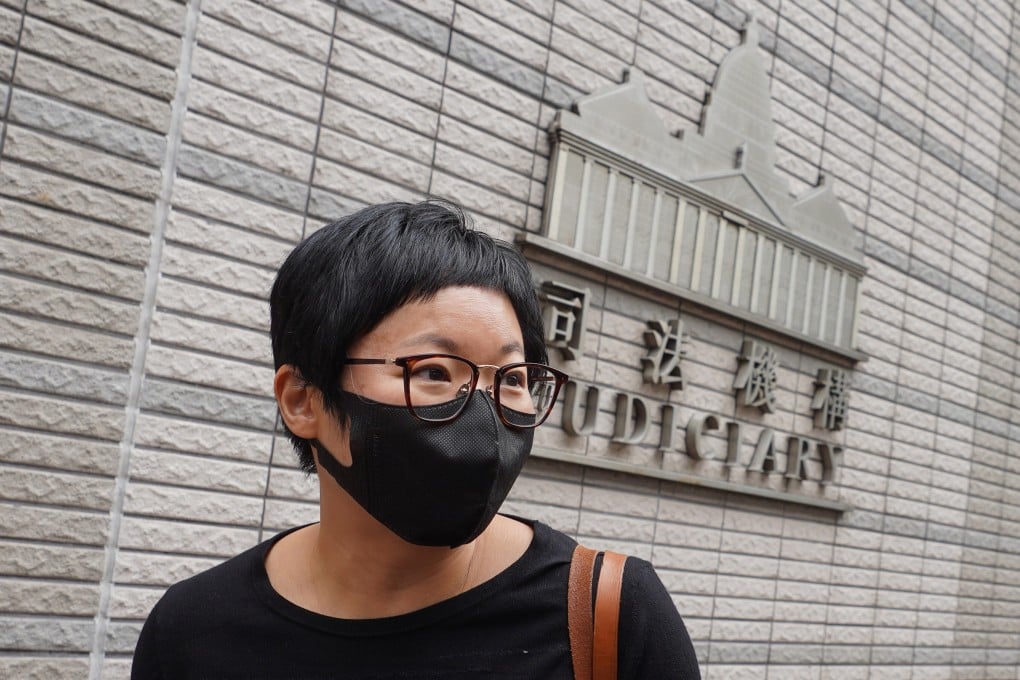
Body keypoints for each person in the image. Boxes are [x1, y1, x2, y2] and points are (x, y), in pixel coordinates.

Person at [131, 200, 701, 679]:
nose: (485, 414)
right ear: (303, 400)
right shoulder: (193, 631)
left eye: (515, 379)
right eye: (434, 372)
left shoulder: (610, 618)